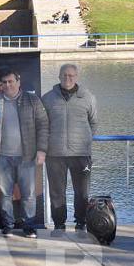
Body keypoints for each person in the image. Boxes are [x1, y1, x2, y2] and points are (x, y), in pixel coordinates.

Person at [41, 63, 98, 234]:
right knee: (57, 192)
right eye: (64, 75)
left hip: (81, 154)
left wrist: (84, 140)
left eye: (71, 75)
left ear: (77, 77)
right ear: (59, 77)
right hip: (55, 154)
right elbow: (43, 125)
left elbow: (94, 123)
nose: (68, 78)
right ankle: (59, 224)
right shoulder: (48, 98)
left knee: (82, 192)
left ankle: (81, 222)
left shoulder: (88, 98)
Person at [0, 70, 49, 239]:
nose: (8, 85)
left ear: (19, 82)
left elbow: (43, 125)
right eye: (4, 82)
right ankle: (8, 226)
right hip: (2, 156)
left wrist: (41, 150)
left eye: (11, 81)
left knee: (29, 195)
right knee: (4, 194)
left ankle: (29, 226)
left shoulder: (32, 100)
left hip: (27, 156)